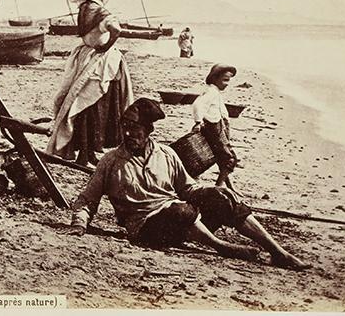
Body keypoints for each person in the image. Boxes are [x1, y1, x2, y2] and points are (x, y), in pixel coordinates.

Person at [64, 97, 310, 270]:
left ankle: (278, 252)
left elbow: (187, 189)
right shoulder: (111, 162)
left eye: (136, 129)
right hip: (147, 229)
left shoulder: (166, 155)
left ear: (149, 130)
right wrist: (79, 224)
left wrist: (216, 191)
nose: (129, 135)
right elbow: (87, 199)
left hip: (182, 221)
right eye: (125, 129)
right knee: (181, 210)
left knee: (223, 197)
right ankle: (221, 246)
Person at [46, 0, 134, 166]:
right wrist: (107, 46)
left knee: (80, 105)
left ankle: (87, 153)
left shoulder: (84, 9)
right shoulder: (102, 12)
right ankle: (86, 154)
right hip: (101, 62)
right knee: (92, 106)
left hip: (87, 56)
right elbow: (116, 30)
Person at [192, 64, 238, 187]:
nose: (227, 84)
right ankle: (219, 184)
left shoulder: (214, 91)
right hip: (213, 127)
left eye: (229, 80)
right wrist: (198, 121)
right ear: (215, 78)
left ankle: (227, 184)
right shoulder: (211, 92)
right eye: (225, 80)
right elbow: (198, 105)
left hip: (217, 126)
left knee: (221, 156)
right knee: (229, 158)